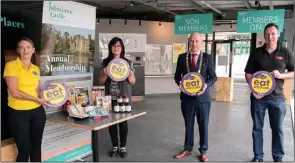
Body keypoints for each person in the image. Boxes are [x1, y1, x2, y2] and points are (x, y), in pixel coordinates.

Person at [244, 23, 294, 162]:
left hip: (277, 98)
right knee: (257, 128)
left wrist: (281, 75)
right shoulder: (256, 53)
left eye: (273, 33)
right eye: (267, 34)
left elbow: (293, 72)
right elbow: (248, 73)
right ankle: (258, 156)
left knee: (277, 128)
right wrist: (253, 89)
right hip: (258, 98)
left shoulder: (285, 53)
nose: (270, 36)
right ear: (264, 36)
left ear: (278, 34)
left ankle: (278, 157)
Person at [3, 37, 48, 162]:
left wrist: (49, 97)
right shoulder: (11, 66)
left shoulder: (36, 69)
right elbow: (15, 92)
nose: (25, 50)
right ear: (18, 50)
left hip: (37, 112)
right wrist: (37, 100)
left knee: (36, 146)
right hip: (18, 113)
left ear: (33, 50)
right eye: (22, 47)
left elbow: (37, 90)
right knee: (24, 149)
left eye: (28, 47)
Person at [174, 33, 217, 162]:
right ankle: (187, 148)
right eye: (192, 41)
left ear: (201, 43)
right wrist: (180, 84)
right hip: (187, 98)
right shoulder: (182, 57)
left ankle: (203, 151)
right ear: (189, 42)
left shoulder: (207, 58)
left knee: (203, 124)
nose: (194, 44)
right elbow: (177, 76)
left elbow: (213, 77)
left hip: (203, 98)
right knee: (188, 124)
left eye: (197, 41)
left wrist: (205, 85)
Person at [99, 37, 136, 158]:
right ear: (110, 48)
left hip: (124, 95)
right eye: (114, 45)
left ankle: (123, 146)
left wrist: (130, 76)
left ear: (122, 48)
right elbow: (101, 81)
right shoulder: (106, 62)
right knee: (111, 122)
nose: (116, 47)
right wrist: (104, 73)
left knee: (123, 122)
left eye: (118, 45)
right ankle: (115, 145)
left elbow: (133, 81)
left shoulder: (128, 63)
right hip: (110, 95)